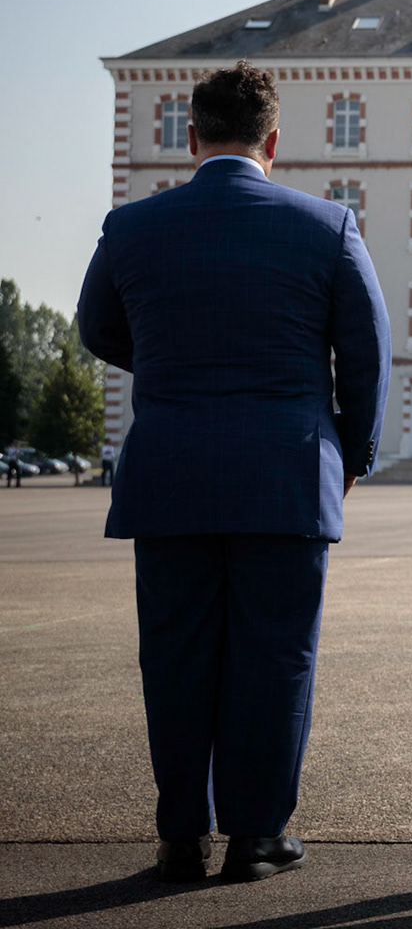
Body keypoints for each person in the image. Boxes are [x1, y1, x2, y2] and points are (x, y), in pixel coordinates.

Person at [76, 61, 390, 883]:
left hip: (170, 469)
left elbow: (97, 328)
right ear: (272, 142)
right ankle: (258, 835)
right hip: (287, 471)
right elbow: (367, 353)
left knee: (175, 656)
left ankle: (182, 833)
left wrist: (171, 364)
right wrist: (349, 453)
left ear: (191, 139)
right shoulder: (327, 225)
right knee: (276, 655)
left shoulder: (131, 228)